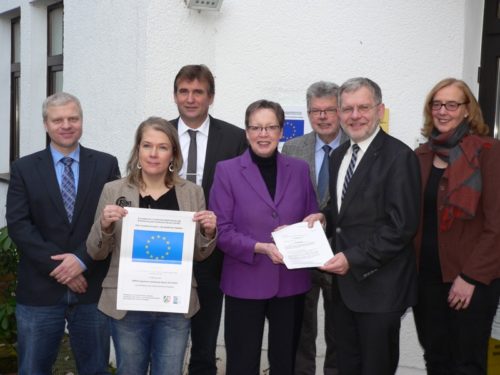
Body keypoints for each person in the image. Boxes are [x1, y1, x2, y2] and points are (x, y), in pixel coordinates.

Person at [305, 77, 420, 375]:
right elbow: (347, 209)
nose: (355, 116)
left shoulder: (400, 157)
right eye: (348, 109)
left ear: (380, 110)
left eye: (363, 107)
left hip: (380, 289)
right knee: (346, 366)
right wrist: (325, 217)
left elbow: (401, 227)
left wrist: (351, 258)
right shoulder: (341, 154)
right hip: (344, 290)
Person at [86, 117, 217, 375]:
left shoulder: (192, 193)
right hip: (127, 303)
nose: (154, 154)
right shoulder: (113, 190)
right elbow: (95, 250)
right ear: (138, 150)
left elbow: (200, 255)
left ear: (173, 154)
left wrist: (209, 232)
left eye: (162, 147)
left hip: (174, 305)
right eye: (147, 146)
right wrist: (105, 225)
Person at [6, 92, 120, 375]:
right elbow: (19, 224)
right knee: (32, 369)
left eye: (73, 118)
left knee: (95, 368)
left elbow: (112, 221)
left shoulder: (106, 164)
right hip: (40, 290)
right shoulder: (24, 168)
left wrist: (81, 260)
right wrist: (63, 267)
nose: (66, 125)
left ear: (82, 121)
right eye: (58, 120)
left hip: (91, 286)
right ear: (46, 124)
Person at [210, 99, 319, 374]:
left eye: (271, 127)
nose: (263, 134)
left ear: (282, 131)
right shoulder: (227, 171)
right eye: (256, 127)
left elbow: (311, 216)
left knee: (286, 363)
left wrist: (314, 223)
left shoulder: (299, 170)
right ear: (246, 132)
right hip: (244, 279)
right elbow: (221, 231)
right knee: (242, 363)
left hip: (291, 282)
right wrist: (259, 247)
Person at [413, 78, 500, 374]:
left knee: (467, 364)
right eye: (436, 104)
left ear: (467, 110)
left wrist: (471, 277)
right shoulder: (421, 156)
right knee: (435, 359)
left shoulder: (489, 152)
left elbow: (497, 225)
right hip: (426, 280)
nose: (443, 111)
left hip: (471, 281)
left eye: (452, 104)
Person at [170, 64, 247, 375]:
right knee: (165, 338)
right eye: (184, 91)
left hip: (213, 254)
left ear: (210, 97)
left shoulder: (235, 138)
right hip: (165, 250)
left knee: (205, 339)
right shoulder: (156, 133)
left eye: (198, 92)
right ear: (175, 95)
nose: (190, 99)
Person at [282, 81, 347, 375]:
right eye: (315, 111)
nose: (322, 117)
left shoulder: (354, 145)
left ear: (340, 110)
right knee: (300, 330)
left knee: (340, 333)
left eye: (329, 110)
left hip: (341, 255)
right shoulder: (294, 147)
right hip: (302, 256)